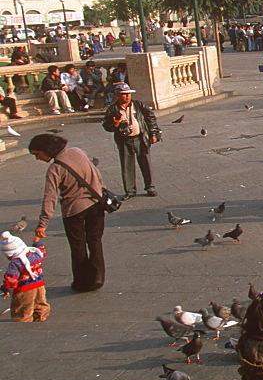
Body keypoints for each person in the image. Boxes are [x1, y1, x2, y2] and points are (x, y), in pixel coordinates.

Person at [27, 133, 106, 291]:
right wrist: (101, 191)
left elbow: (50, 198)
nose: (38, 158)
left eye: (37, 154)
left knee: (78, 247)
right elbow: (96, 174)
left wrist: (42, 224)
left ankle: (82, 282)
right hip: (96, 204)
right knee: (95, 241)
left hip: (74, 211)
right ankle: (97, 278)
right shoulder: (78, 151)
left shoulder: (55, 169)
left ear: (47, 149)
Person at [102, 83, 160, 199]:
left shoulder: (138, 105)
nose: (127, 96)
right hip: (124, 140)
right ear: (118, 95)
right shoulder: (112, 109)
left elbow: (150, 118)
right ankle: (130, 190)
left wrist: (153, 134)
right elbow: (106, 126)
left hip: (140, 138)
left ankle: (150, 187)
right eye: (124, 94)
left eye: (128, 94)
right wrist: (115, 124)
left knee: (146, 163)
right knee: (127, 165)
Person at [2, 231, 49, 322]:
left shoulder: (16, 262)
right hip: (39, 283)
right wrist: (37, 242)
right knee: (40, 301)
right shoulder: (34, 254)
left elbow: (11, 278)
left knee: (23, 304)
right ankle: (40, 315)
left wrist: (6, 289)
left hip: (25, 287)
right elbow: (42, 252)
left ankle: (23, 319)